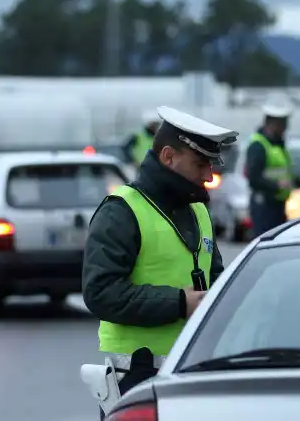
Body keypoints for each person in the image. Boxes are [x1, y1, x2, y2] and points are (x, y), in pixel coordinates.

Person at [83, 106, 235, 416]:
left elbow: (217, 281)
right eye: (200, 164)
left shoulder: (199, 211)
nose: (209, 176)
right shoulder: (121, 211)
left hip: (193, 373)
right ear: (168, 157)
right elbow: (101, 293)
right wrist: (180, 302)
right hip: (137, 382)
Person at [245, 102, 293, 237]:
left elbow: (283, 173)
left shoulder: (278, 145)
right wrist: (276, 185)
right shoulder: (259, 145)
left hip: (278, 204)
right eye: (282, 123)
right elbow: (253, 178)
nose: (285, 128)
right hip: (264, 205)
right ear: (271, 123)